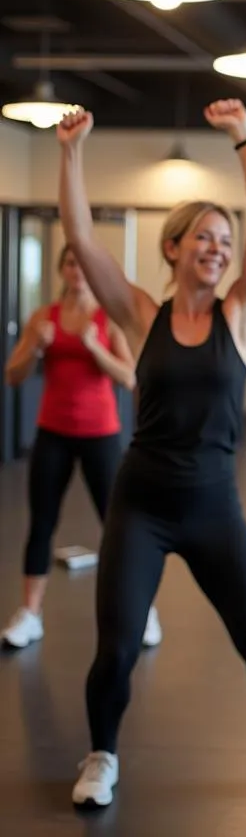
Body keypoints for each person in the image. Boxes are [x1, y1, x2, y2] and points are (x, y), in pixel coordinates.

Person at [56, 101, 246, 810]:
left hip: (214, 505)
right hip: (143, 503)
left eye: (225, 239)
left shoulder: (241, 315)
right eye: (203, 237)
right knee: (118, 648)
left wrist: (244, 139)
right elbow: (79, 235)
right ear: (172, 248)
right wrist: (70, 152)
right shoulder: (140, 313)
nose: (218, 248)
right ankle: (101, 755)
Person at [1, 246, 161, 651]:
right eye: (70, 263)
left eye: (83, 264)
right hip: (52, 433)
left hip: (101, 434)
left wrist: (95, 348)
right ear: (62, 269)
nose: (77, 271)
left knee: (120, 527)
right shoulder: (44, 318)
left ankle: (144, 610)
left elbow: (130, 377)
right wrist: (35, 346)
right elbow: (13, 375)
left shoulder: (107, 319)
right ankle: (30, 615)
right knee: (41, 524)